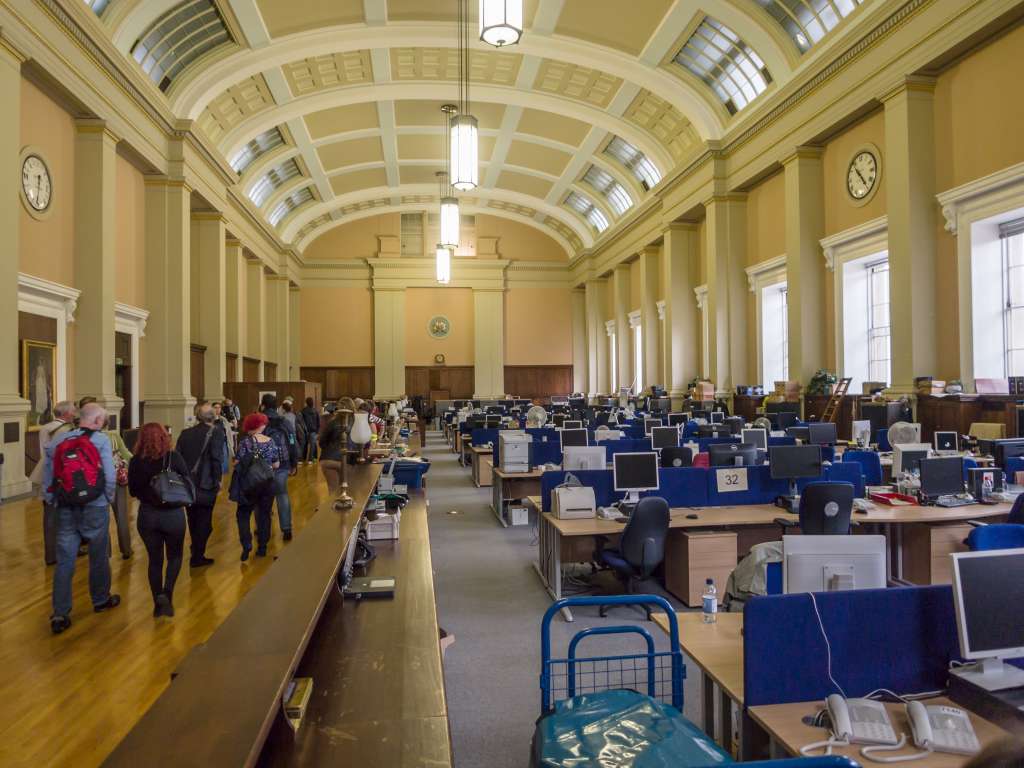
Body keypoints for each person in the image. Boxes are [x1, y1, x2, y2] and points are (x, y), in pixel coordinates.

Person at [42, 402, 120, 634]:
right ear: (97, 421)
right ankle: (100, 599)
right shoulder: (101, 440)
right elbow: (110, 475)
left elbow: (50, 472)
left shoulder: (60, 440)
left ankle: (60, 613)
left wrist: (52, 499)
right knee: (98, 554)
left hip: (66, 505)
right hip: (95, 505)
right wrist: (107, 498)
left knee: (65, 559)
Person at [128, 423, 188, 617]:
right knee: (175, 556)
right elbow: (186, 481)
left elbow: (133, 491)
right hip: (173, 515)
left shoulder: (136, 461)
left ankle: (157, 601)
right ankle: (167, 594)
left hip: (148, 515)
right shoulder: (174, 457)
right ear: (165, 437)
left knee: (154, 560)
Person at [175, 404, 227, 567]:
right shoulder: (216, 432)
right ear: (213, 417)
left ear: (197, 416)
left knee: (193, 518)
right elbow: (216, 458)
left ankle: (196, 550)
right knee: (205, 522)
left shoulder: (185, 433)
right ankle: (197, 555)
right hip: (206, 483)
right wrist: (219, 479)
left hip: (188, 484)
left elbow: (178, 458)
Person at [31, 400, 77, 565]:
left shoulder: (45, 427)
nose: (74, 414)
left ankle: (50, 555)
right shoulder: (69, 430)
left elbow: (43, 452)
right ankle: (69, 550)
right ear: (65, 413)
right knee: (68, 515)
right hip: (64, 475)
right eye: (73, 411)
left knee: (49, 516)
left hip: (46, 472)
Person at [231, 412, 280, 560]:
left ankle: (246, 544)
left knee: (243, 514)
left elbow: (237, 463)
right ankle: (262, 548)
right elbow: (276, 464)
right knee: (264, 515)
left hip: (249, 484)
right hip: (267, 483)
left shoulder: (245, 443)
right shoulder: (271, 441)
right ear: (261, 425)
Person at [259, 394, 298, 540]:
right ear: (277, 407)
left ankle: (263, 530)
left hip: (263, 465)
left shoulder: (259, 421)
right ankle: (286, 529)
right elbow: (293, 441)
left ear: (263, 405)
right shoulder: (285, 422)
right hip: (283, 463)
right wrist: (294, 462)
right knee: (282, 495)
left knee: (262, 498)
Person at [104, 416, 134, 560]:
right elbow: (125, 453)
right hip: (116, 478)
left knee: (102, 518)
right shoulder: (113, 436)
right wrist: (134, 465)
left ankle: (106, 552)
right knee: (121, 515)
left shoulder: (85, 437)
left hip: (98, 482)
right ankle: (126, 549)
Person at [318, 398, 353, 496]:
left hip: (328, 459)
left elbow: (322, 441)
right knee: (346, 491)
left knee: (332, 491)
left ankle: (331, 510)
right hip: (347, 460)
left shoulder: (332, 422)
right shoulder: (355, 422)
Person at [301, 397, 320, 464]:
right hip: (313, 431)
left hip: (305, 430)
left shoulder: (303, 411)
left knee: (304, 444)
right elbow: (318, 422)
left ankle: (303, 458)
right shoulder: (316, 411)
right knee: (313, 445)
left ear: (306, 403)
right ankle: (311, 459)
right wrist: (317, 431)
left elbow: (301, 421)